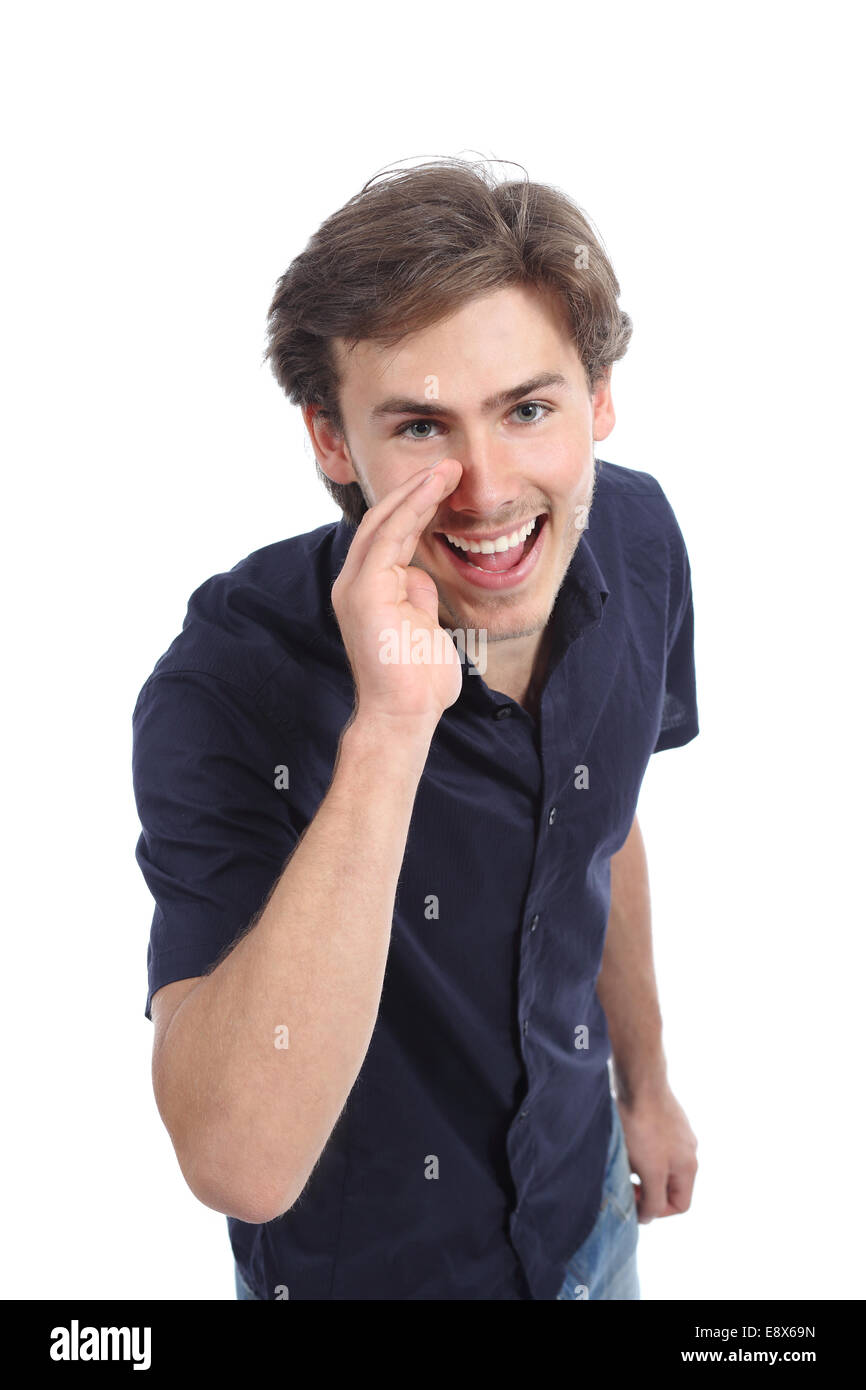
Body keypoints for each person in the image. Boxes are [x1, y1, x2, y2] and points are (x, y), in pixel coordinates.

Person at [132, 157, 700, 1301]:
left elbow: (602, 821)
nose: (485, 489)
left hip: (581, 1223)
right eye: (420, 427)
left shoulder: (633, 538)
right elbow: (236, 1160)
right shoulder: (225, 682)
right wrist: (390, 729)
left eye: (527, 409)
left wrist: (643, 1087)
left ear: (596, 398)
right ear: (333, 443)